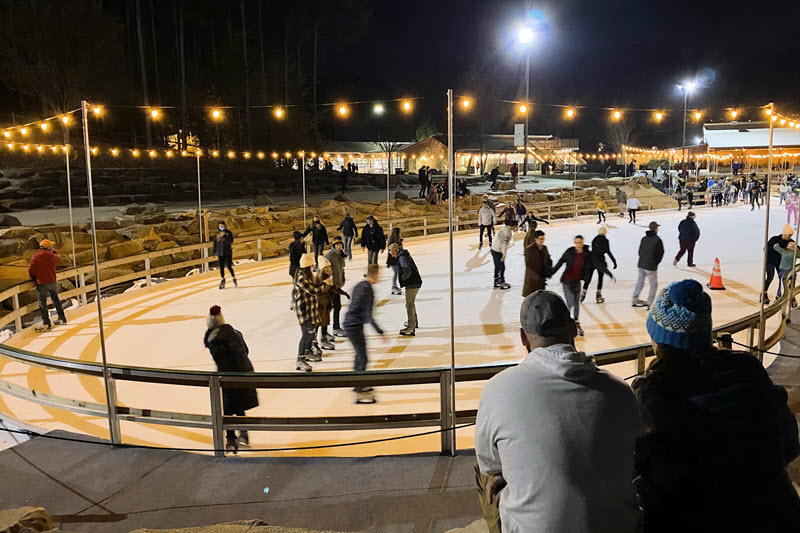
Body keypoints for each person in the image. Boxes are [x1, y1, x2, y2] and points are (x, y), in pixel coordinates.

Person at [633, 280, 800, 532]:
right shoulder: (747, 369)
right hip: (777, 512)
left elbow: (646, 470)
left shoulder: (653, 392)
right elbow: (788, 441)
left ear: (659, 338)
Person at [475, 290, 643, 533]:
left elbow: (488, 465)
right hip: (618, 525)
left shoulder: (498, 389)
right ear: (574, 329)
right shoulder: (620, 390)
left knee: (490, 476)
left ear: (523, 337)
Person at [203, 305, 259, 454]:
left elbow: (222, 359)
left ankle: (231, 439)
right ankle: (242, 435)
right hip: (242, 373)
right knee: (237, 406)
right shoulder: (235, 333)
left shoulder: (212, 339)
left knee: (228, 407)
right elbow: (245, 351)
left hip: (229, 375)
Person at [343, 264, 385, 404]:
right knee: (362, 357)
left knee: (360, 355)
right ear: (375, 274)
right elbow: (368, 314)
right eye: (379, 274)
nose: (380, 277)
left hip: (351, 324)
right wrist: (380, 332)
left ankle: (358, 384)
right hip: (354, 325)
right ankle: (360, 386)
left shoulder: (360, 285)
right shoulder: (367, 289)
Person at [292, 253, 333, 372]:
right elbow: (313, 290)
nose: (313, 268)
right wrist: (326, 283)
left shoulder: (307, 275)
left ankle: (307, 352)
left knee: (311, 333)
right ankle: (300, 359)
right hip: (305, 311)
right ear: (307, 266)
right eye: (312, 266)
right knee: (306, 334)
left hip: (312, 310)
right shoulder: (301, 277)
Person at [549, 235, 592, 336]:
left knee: (576, 303)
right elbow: (560, 262)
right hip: (567, 281)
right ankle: (566, 323)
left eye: (580, 243)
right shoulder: (569, 252)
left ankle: (576, 322)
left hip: (577, 281)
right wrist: (551, 273)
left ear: (582, 243)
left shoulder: (586, 254)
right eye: (576, 243)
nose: (578, 245)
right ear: (574, 243)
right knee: (570, 303)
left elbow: (590, 265)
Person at [28, 239, 67, 332]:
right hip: (52, 281)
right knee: (56, 300)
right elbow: (57, 260)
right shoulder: (53, 256)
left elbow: (31, 270)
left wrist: (35, 278)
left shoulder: (35, 257)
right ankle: (62, 318)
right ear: (48, 247)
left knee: (42, 304)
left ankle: (46, 323)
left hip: (41, 283)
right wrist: (53, 251)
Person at [314, 256, 349, 350]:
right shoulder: (318, 278)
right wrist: (326, 284)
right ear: (322, 269)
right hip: (320, 304)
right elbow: (317, 291)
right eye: (327, 267)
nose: (329, 269)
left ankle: (324, 335)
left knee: (325, 322)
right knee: (319, 323)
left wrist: (343, 293)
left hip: (326, 303)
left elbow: (333, 287)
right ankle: (317, 341)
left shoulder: (329, 277)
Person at [389, 243, 422, 336]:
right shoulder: (403, 255)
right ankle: (414, 322)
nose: (392, 256)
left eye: (392, 253)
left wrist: (404, 279)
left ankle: (410, 328)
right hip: (415, 282)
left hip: (412, 283)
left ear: (396, 250)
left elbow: (407, 270)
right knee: (410, 304)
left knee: (409, 305)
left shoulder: (402, 258)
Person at [632, 221, 664, 308]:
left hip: (641, 263)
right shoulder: (658, 240)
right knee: (653, 284)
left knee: (640, 281)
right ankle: (650, 302)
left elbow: (640, 251)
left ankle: (635, 298)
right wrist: (655, 263)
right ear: (656, 229)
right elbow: (660, 254)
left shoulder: (644, 239)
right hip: (650, 265)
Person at [585, 227, 617, 304]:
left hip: (592, 260)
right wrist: (614, 261)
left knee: (588, 279)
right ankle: (598, 295)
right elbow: (608, 251)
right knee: (600, 279)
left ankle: (583, 295)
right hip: (601, 261)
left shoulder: (594, 239)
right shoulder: (605, 241)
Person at [763, 225, 794, 304]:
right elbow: (767, 248)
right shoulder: (774, 239)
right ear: (784, 234)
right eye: (789, 235)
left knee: (783, 279)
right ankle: (764, 293)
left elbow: (797, 248)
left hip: (780, 263)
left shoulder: (791, 241)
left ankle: (784, 295)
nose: (790, 237)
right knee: (770, 277)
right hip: (770, 262)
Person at [325, 236, 348, 337]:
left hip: (337, 285)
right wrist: (329, 281)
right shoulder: (329, 256)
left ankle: (334, 328)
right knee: (330, 307)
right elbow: (323, 269)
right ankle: (333, 328)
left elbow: (341, 269)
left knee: (335, 307)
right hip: (330, 286)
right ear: (334, 245)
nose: (339, 246)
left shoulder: (341, 255)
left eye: (340, 244)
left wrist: (342, 279)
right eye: (337, 244)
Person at [522, 230, 551, 297]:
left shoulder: (544, 248)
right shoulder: (529, 249)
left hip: (541, 279)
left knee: (540, 298)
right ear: (535, 239)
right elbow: (529, 264)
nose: (542, 241)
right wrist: (538, 274)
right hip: (532, 279)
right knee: (531, 298)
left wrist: (548, 269)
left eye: (543, 239)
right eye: (541, 239)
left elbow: (548, 260)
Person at [490, 220, 515, 289]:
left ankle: (496, 281)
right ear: (513, 226)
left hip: (493, 249)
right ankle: (501, 282)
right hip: (498, 251)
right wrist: (504, 255)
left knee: (497, 266)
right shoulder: (508, 233)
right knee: (502, 267)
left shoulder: (503, 228)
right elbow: (504, 245)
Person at [212, 221, 237, 289]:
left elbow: (231, 241)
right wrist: (214, 252)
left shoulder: (228, 233)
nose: (221, 227)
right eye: (220, 226)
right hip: (220, 252)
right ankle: (222, 278)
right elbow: (215, 243)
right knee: (221, 267)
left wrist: (225, 237)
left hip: (227, 251)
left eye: (222, 226)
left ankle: (233, 276)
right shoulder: (217, 234)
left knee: (229, 266)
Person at [386, 228, 403, 295]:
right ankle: (394, 286)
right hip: (394, 260)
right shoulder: (394, 241)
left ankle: (395, 286)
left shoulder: (395, 240)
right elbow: (390, 251)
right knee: (396, 273)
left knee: (397, 273)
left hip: (395, 260)